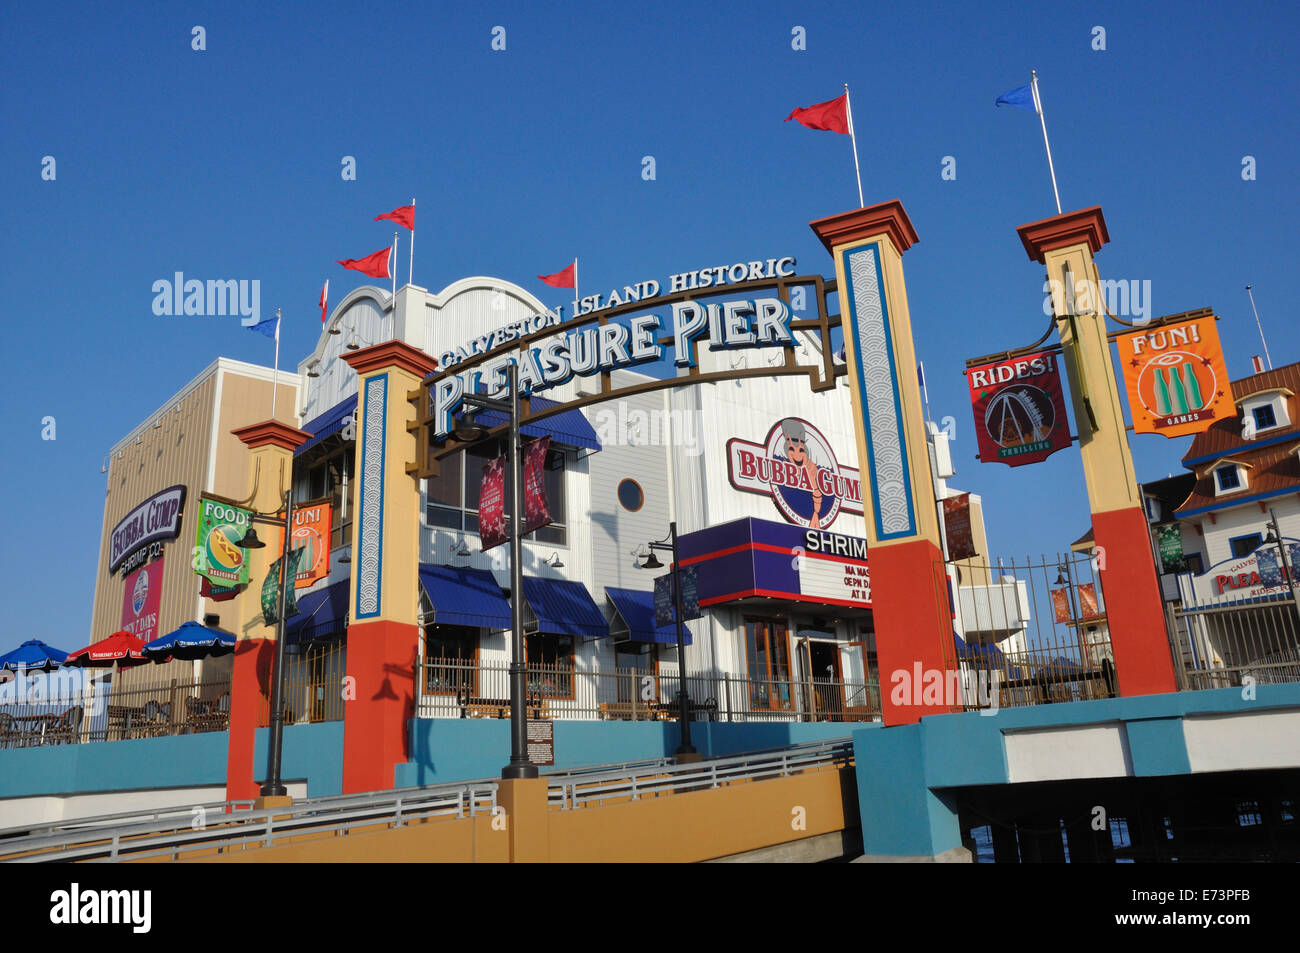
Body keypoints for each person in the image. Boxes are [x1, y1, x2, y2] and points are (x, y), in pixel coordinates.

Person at [779, 419, 825, 529]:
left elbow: (817, 491)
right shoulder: (783, 464)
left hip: (811, 511)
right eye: (791, 449)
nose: (797, 455)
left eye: (801, 450)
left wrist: (815, 512)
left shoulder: (812, 468)